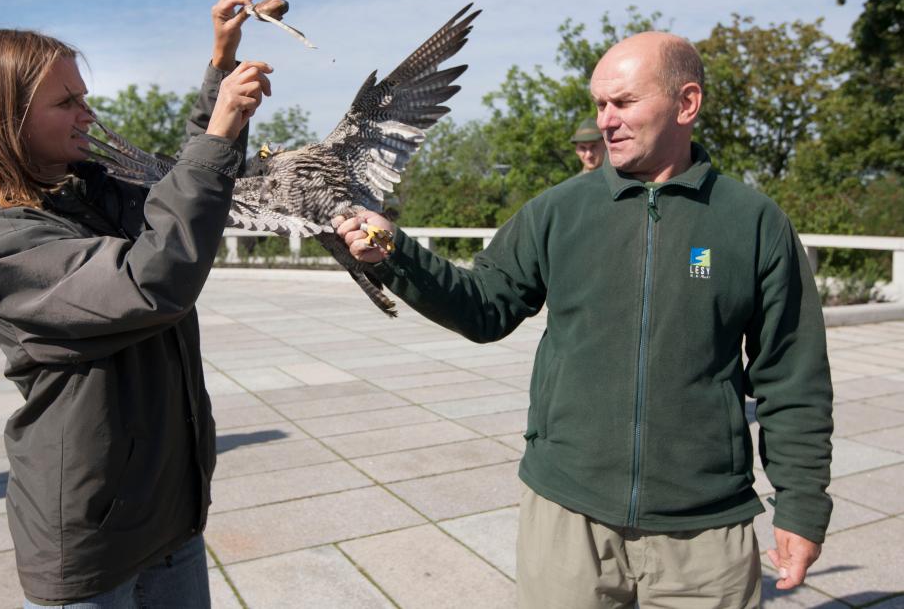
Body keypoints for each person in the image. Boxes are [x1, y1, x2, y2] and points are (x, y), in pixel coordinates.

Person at [335, 31, 833, 608]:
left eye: (623, 103)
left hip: (705, 529)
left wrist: (801, 506)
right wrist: (397, 254)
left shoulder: (753, 223)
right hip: (567, 517)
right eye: (600, 105)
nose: (605, 121)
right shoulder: (557, 212)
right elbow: (484, 307)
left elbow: (792, 377)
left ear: (686, 103)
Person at [0, 0, 271, 607]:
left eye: (84, 97)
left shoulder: (85, 193)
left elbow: (176, 192)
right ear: (3, 120)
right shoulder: (3, 247)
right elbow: (154, 279)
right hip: (91, 544)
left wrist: (222, 66)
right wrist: (218, 132)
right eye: (67, 102)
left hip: (168, 509)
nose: (88, 112)